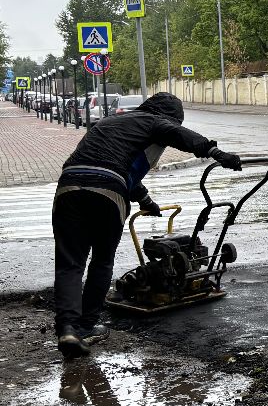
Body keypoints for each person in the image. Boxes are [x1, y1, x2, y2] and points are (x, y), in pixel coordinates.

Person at [52, 91, 243, 359]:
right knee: (101, 262)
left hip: (68, 187)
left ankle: (67, 330)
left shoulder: (109, 122)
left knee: (70, 263)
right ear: (168, 117)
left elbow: (112, 165)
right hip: (107, 193)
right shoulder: (154, 121)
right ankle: (85, 326)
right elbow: (178, 136)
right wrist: (216, 152)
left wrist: (145, 200)